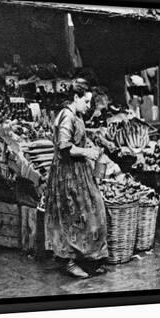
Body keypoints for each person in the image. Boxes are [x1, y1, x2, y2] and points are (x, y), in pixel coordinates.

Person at [45, 79, 108, 278]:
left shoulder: (76, 115)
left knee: (93, 212)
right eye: (86, 101)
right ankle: (69, 261)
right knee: (71, 216)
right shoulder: (66, 116)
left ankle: (90, 257)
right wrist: (87, 152)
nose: (88, 106)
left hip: (79, 171)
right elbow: (64, 146)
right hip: (67, 173)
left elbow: (77, 137)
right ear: (75, 97)